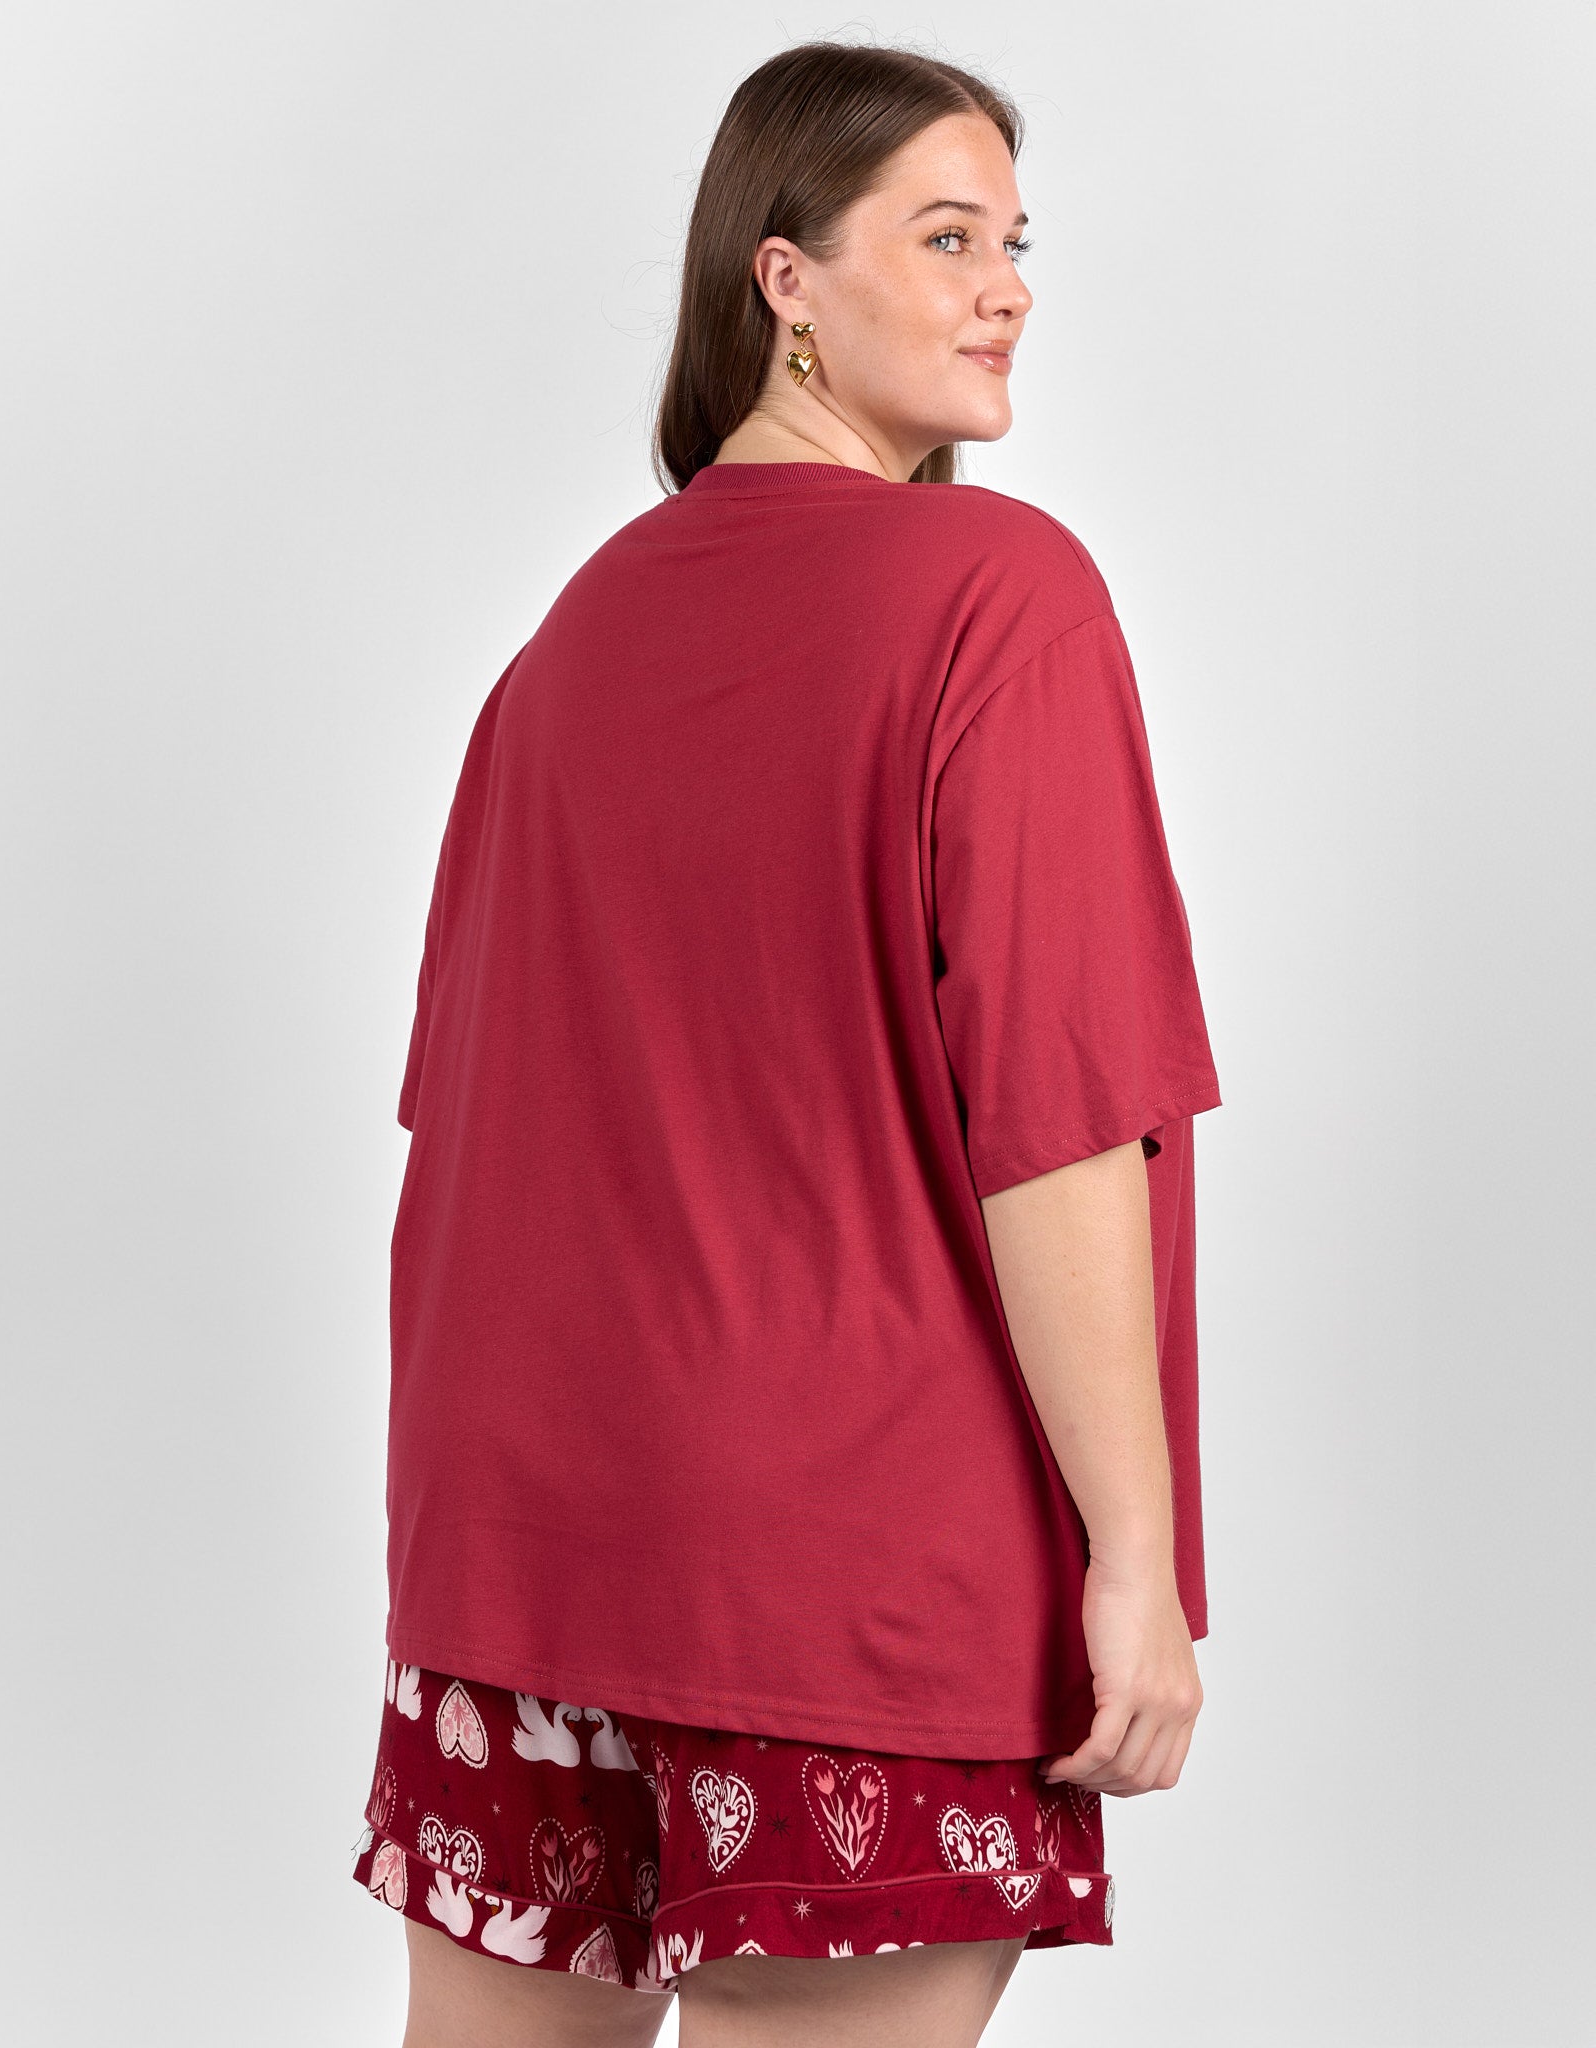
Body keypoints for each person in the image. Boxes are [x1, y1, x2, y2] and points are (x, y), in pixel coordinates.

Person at [349, 37, 1223, 2048]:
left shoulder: (565, 644)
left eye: (1018, 245)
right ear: (785, 279)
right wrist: (1135, 1561)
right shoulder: (1001, 596)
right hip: (851, 1576)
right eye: (948, 238)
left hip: (512, 1566)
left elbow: (468, 1131)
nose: (1008, 290)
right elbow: (1058, 1123)